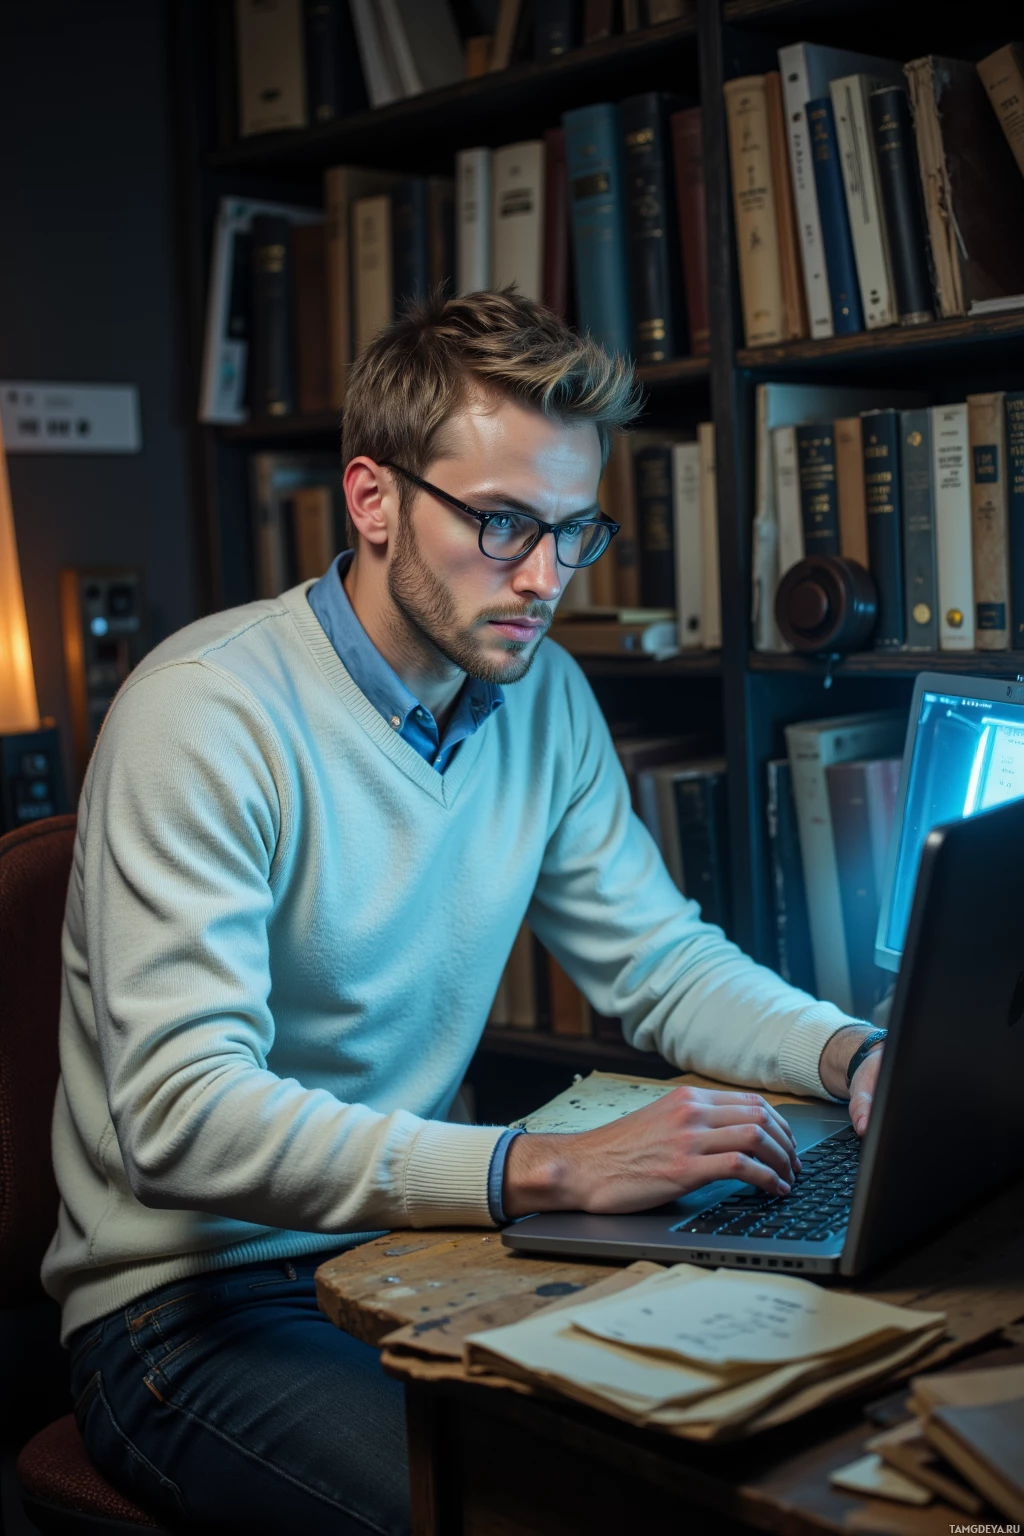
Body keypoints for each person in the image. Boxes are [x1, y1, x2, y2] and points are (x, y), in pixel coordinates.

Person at [44, 289, 884, 1534]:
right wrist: (542, 1167)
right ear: (373, 499)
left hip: (416, 1254)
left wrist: (853, 1053)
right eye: (500, 524)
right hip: (186, 1306)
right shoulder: (205, 716)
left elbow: (655, 960)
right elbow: (179, 1120)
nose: (544, 580)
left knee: (750, 1463)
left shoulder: (537, 695)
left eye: (572, 531)